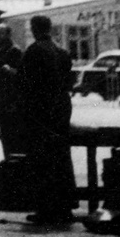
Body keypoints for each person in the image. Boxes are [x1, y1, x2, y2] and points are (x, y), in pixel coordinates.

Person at [20, 15, 77, 225]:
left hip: (41, 111)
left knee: (42, 160)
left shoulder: (34, 51)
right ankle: (65, 208)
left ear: (35, 28)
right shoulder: (62, 52)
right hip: (61, 108)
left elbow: (26, 82)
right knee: (61, 157)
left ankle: (45, 209)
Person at [0, 23, 26, 158]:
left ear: (8, 34)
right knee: (5, 131)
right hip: (2, 96)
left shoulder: (15, 51)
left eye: (0, 33)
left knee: (11, 130)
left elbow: (21, 74)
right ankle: (8, 157)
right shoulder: (0, 49)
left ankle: (12, 158)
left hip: (11, 98)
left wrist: (9, 70)